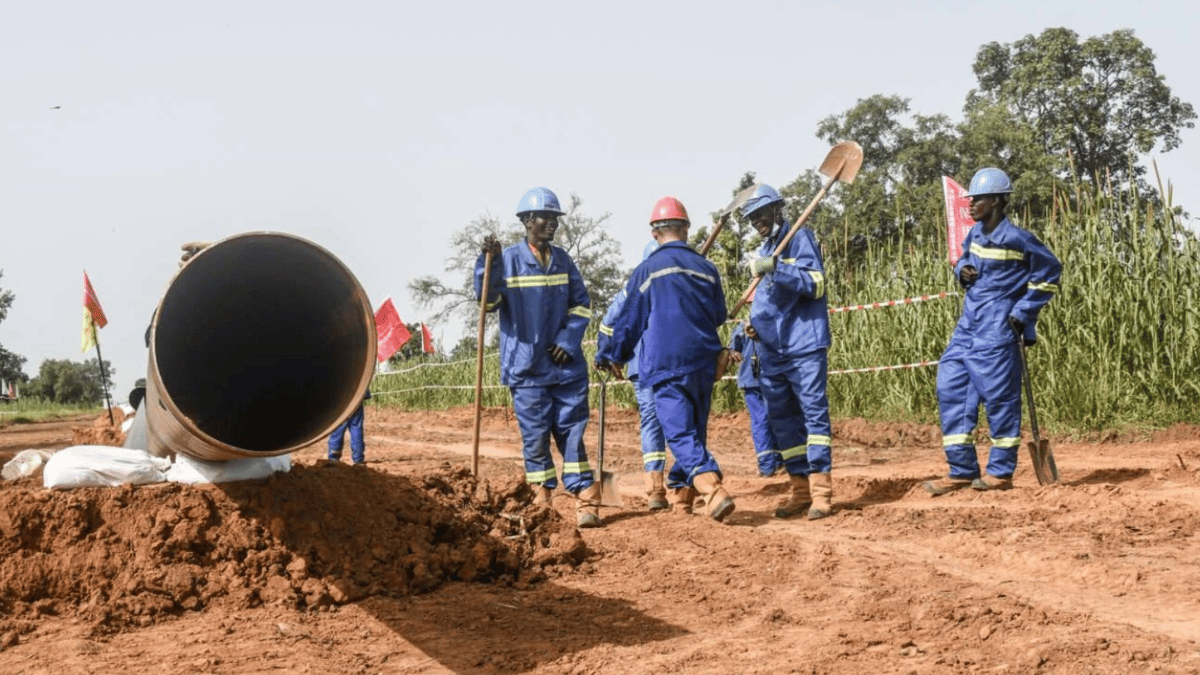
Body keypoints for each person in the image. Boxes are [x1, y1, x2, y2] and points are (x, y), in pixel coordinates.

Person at [595, 196, 735, 522]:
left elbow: (629, 321)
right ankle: (683, 500)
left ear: (655, 233)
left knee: (679, 434)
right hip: (703, 360)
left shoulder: (647, 270)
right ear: (685, 230)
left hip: (666, 363)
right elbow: (717, 315)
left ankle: (712, 489)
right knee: (695, 432)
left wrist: (613, 354)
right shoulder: (706, 268)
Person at [925, 168, 1061, 495]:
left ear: (998, 201)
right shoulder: (975, 234)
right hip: (968, 326)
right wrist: (962, 269)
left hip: (998, 328)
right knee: (950, 387)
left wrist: (1023, 312)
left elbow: (1049, 274)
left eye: (978, 199)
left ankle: (1000, 472)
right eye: (970, 198)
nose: (970, 204)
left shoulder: (1018, 238)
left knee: (999, 399)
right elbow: (962, 257)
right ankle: (961, 469)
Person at [475, 187, 600, 528]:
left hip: (566, 369)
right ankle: (542, 505)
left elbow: (580, 305)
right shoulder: (509, 261)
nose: (553, 225)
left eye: (556, 219)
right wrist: (487, 264)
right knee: (535, 441)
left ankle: (586, 500)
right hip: (527, 371)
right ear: (528, 221)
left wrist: (568, 340)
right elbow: (487, 303)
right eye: (546, 218)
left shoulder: (563, 260)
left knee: (573, 434)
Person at [739, 183, 834, 520]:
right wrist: (753, 325)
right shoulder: (765, 249)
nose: (756, 222)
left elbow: (817, 284)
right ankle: (800, 488)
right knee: (783, 423)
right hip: (771, 350)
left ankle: (822, 492)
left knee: (813, 414)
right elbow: (767, 303)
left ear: (777, 210)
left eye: (761, 215)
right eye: (751, 218)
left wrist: (776, 268)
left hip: (804, 345)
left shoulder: (800, 238)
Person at [597, 240, 670, 512]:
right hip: (670, 365)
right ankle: (672, 487)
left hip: (646, 366)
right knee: (679, 420)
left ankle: (656, 489)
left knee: (652, 422)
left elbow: (608, 323)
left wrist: (604, 353)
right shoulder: (678, 286)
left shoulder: (634, 287)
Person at [728, 321, 783, 478]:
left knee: (764, 420)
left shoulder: (742, 327)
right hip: (764, 379)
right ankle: (772, 463)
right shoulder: (772, 323)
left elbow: (733, 351)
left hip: (761, 379)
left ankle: (771, 464)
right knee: (770, 418)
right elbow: (733, 351)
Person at [328, 390, 372, 465]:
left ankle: (334, 456)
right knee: (356, 429)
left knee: (338, 428)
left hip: (341, 399)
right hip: (357, 398)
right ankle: (358, 459)